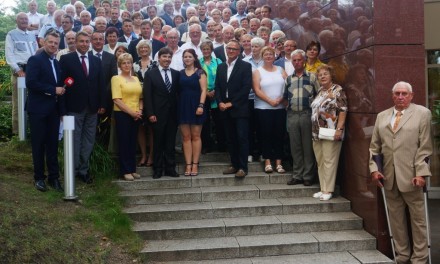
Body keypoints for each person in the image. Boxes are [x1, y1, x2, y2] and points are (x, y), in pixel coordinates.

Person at [369, 81, 433, 264]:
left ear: (411, 96)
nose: (400, 97)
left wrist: (421, 173)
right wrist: (374, 170)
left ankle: (420, 258)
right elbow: (374, 147)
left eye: (404, 93)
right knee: (396, 221)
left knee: (418, 221)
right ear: (392, 95)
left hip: (412, 177)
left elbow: (425, 147)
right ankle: (402, 256)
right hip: (388, 178)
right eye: (397, 93)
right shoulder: (382, 116)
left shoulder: (422, 113)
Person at [59, 31, 106, 184]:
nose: (85, 44)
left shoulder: (95, 60)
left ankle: (83, 171)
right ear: (75, 43)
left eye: (87, 41)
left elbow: (100, 84)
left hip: (92, 108)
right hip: (73, 107)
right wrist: (62, 110)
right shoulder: (66, 59)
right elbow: (62, 85)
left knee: (88, 141)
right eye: (82, 41)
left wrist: (101, 104)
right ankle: (72, 171)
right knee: (74, 140)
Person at [25, 30, 65, 192]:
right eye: (51, 42)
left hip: (53, 111)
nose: (53, 45)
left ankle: (54, 178)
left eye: (56, 43)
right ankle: (39, 178)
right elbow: (31, 83)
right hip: (38, 110)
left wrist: (61, 110)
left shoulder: (56, 63)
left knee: (53, 145)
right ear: (44, 42)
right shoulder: (35, 60)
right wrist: (52, 90)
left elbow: (59, 88)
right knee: (38, 145)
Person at [215, 40, 252, 178]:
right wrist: (219, 102)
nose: (230, 51)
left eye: (233, 49)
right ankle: (234, 164)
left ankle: (243, 167)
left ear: (238, 52)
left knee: (241, 138)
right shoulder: (221, 67)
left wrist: (231, 103)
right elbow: (217, 87)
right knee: (230, 139)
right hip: (224, 108)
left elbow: (245, 88)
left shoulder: (245, 66)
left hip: (239, 108)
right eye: (228, 48)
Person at [310, 64, 347, 201]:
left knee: (329, 161)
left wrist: (339, 129)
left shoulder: (337, 90)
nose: (322, 76)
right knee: (320, 161)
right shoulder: (320, 91)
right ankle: (322, 187)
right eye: (320, 75)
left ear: (331, 75)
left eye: (325, 74)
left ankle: (328, 190)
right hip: (316, 132)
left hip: (331, 131)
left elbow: (343, 110)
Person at [143, 47, 180, 179]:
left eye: (169, 57)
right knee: (158, 143)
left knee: (170, 143)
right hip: (157, 114)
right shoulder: (150, 74)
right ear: (159, 58)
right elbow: (147, 95)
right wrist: (150, 113)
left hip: (172, 115)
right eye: (164, 57)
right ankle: (157, 169)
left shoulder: (176, 74)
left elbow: (177, 94)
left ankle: (170, 168)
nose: (167, 59)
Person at [284, 49, 319, 186]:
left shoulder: (312, 77)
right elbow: (285, 97)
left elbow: (319, 95)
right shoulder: (288, 79)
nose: (297, 62)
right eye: (294, 60)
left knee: (307, 146)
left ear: (304, 61)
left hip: (307, 114)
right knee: (295, 146)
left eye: (299, 60)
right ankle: (297, 175)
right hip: (292, 114)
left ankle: (308, 176)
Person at [252, 46, 287, 174]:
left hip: (280, 108)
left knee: (279, 135)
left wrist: (280, 99)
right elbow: (256, 90)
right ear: (262, 56)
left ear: (274, 57)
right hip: (263, 108)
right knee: (265, 135)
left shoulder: (280, 69)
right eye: (266, 54)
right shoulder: (257, 71)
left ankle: (278, 163)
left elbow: (288, 85)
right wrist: (270, 100)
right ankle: (267, 161)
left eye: (271, 54)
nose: (268, 56)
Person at [111, 53, 143, 181]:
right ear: (120, 65)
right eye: (124, 63)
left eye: (129, 62)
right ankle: (124, 170)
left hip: (136, 114)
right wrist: (132, 113)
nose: (126, 65)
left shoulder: (135, 78)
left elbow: (141, 97)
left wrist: (139, 111)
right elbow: (117, 100)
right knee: (124, 142)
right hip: (122, 114)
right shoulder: (116, 78)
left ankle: (132, 169)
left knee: (132, 142)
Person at [5, 12, 38, 134]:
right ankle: (18, 133)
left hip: (32, 70)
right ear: (16, 21)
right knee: (19, 101)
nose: (24, 21)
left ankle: (30, 130)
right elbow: (9, 54)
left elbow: (35, 52)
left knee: (33, 100)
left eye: (26, 19)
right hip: (20, 71)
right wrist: (17, 70)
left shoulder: (31, 35)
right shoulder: (11, 34)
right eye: (21, 19)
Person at [179, 49, 207, 176]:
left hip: (197, 106)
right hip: (183, 106)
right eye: (185, 57)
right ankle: (188, 164)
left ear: (194, 58)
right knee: (186, 137)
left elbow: (204, 90)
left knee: (196, 136)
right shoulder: (179, 73)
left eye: (190, 56)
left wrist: (201, 105)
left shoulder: (200, 72)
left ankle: (195, 164)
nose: (187, 59)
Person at [133, 40, 156, 167]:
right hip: (137, 99)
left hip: (151, 99)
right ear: (138, 50)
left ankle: (151, 156)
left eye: (145, 47)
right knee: (140, 128)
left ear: (149, 49)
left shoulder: (155, 63)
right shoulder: (134, 65)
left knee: (151, 128)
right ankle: (143, 155)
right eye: (141, 48)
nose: (143, 50)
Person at [199, 41, 224, 153]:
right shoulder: (198, 63)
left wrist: (214, 91)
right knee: (204, 122)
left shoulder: (218, 62)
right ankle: (206, 145)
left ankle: (221, 145)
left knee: (219, 120)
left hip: (217, 94)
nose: (206, 51)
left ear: (211, 50)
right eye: (204, 49)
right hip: (203, 94)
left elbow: (222, 78)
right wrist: (206, 92)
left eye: (208, 49)